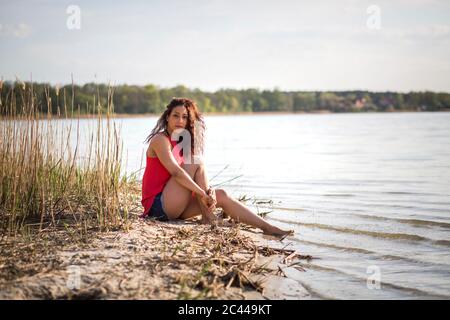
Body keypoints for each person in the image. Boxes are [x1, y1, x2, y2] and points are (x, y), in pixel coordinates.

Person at [141, 97, 293, 237]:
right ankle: (208, 217)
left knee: (222, 195)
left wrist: (209, 191)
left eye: (185, 117)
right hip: (158, 207)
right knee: (197, 161)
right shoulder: (160, 140)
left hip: (174, 203)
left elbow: (194, 175)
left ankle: (267, 227)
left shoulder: (182, 142)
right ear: (167, 117)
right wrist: (202, 193)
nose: (180, 120)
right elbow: (176, 172)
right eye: (175, 115)